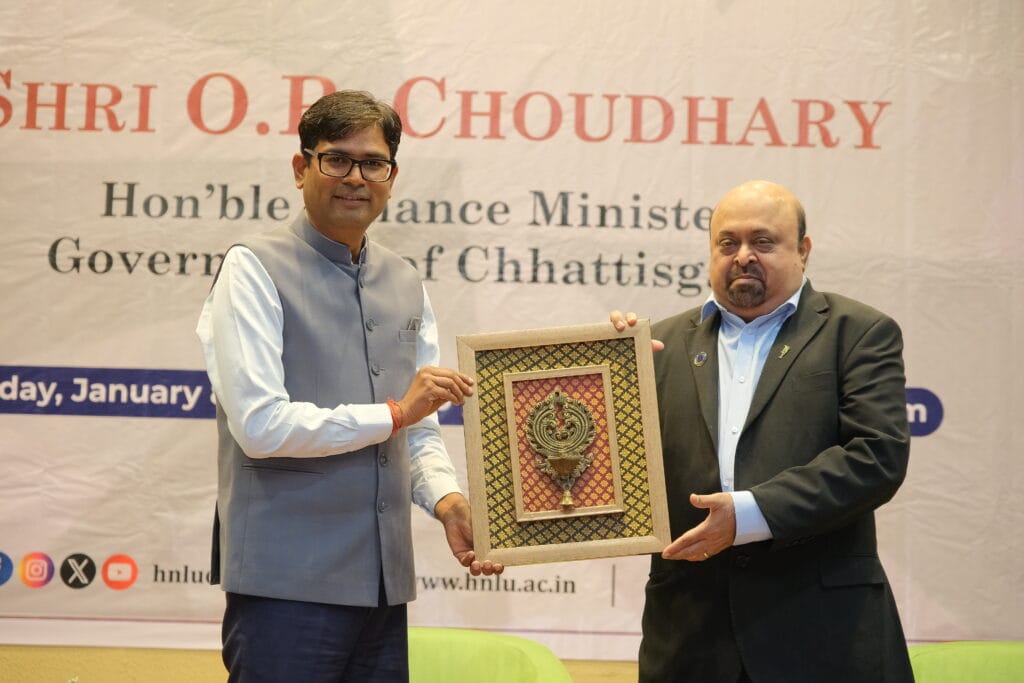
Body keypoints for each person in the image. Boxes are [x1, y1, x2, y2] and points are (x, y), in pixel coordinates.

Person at [196, 89, 502, 682]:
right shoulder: (252, 267)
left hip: (383, 587)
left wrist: (447, 502)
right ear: (300, 167)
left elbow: (419, 429)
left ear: (392, 176)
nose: (355, 178)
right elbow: (260, 426)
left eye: (373, 163)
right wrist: (394, 413)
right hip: (285, 588)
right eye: (336, 159)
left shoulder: (406, 280)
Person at [613, 179, 913, 682]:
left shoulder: (858, 332)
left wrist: (750, 514)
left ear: (803, 250)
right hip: (688, 642)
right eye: (727, 242)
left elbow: (876, 458)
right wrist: (605, 367)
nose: (743, 256)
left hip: (823, 639)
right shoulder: (654, 347)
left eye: (763, 241)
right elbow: (606, 473)